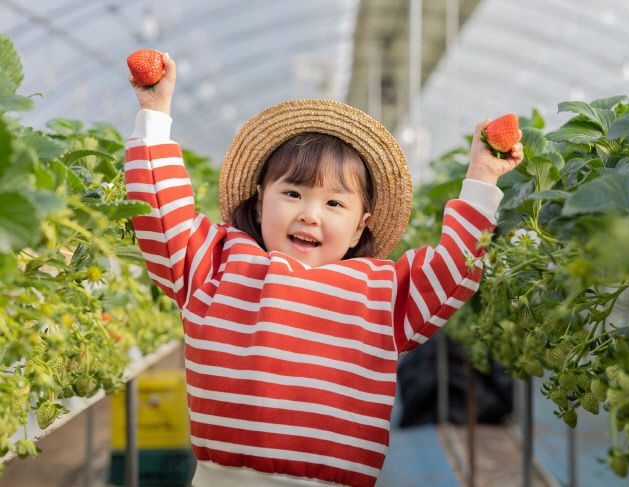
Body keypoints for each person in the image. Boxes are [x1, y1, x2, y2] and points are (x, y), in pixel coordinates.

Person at [125, 52, 523, 487]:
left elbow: (455, 270)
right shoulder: (217, 264)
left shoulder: (381, 293)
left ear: (359, 228)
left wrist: (483, 178)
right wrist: (155, 115)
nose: (310, 214)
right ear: (259, 201)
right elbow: (161, 215)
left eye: (334, 203)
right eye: (292, 193)